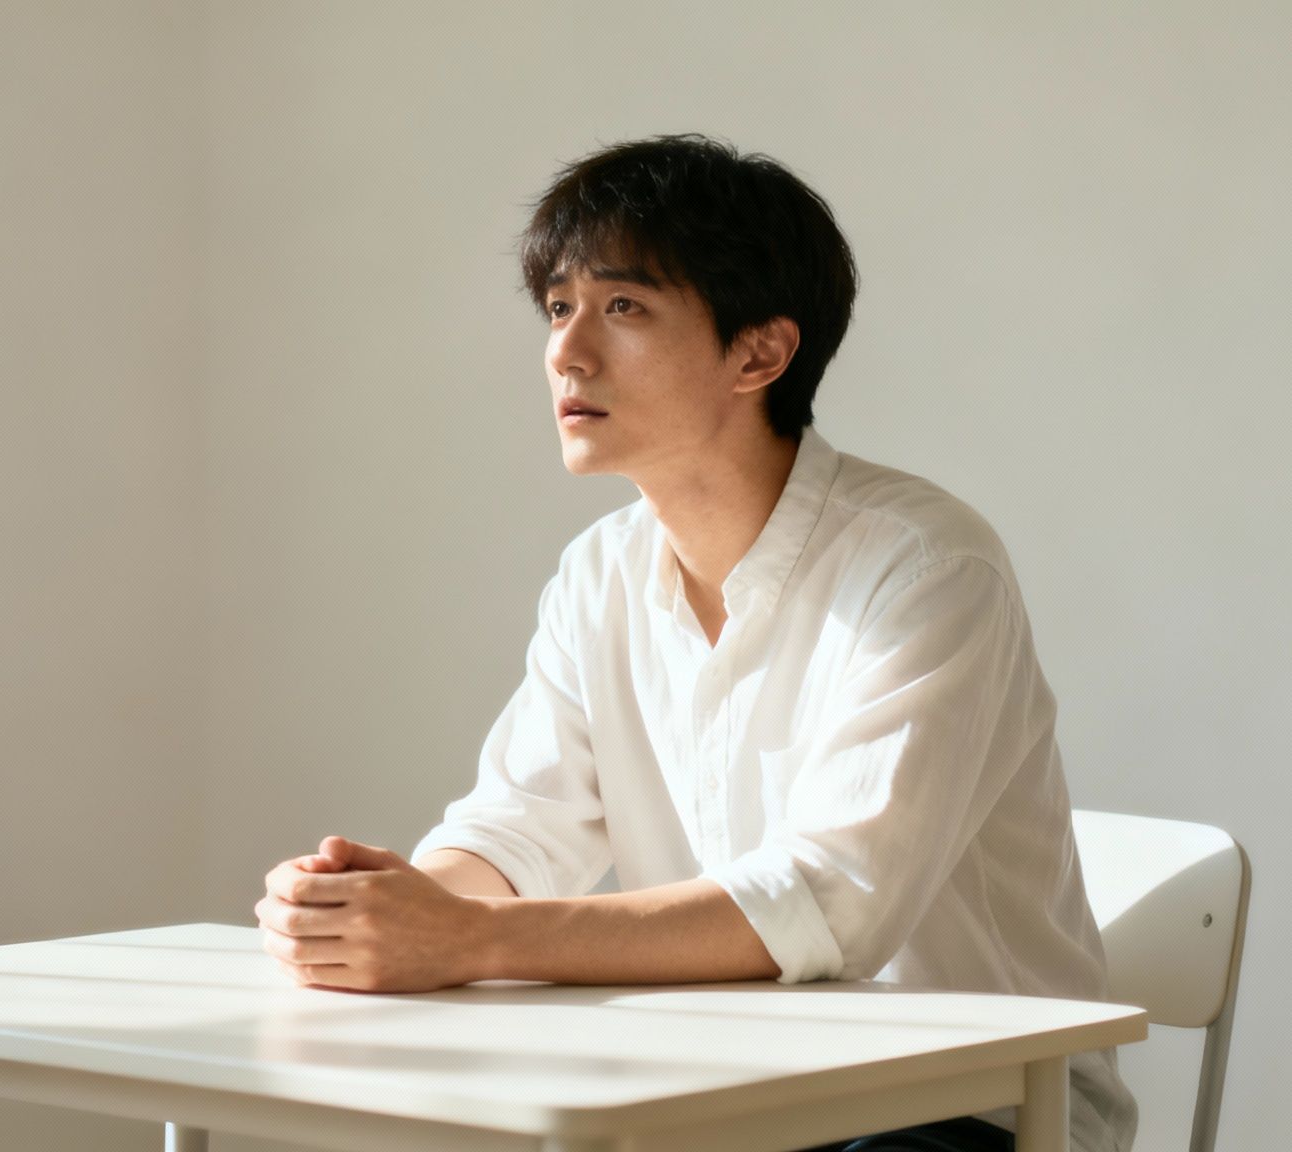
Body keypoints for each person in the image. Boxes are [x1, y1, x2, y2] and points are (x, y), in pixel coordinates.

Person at [253, 134, 1137, 1152]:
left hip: (960, 1114)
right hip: (729, 1096)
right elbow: (516, 828)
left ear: (758, 353)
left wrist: (469, 940)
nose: (566, 352)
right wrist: (382, 908)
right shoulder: (599, 573)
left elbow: (830, 904)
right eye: (556, 308)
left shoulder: (926, 567)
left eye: (621, 308)